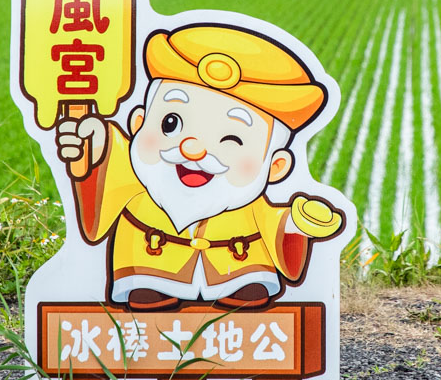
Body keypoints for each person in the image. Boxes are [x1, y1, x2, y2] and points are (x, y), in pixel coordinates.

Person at [55, 24, 345, 313]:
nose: (192, 150)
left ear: (276, 167)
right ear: (138, 124)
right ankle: (150, 283)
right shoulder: (141, 179)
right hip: (146, 263)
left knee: (249, 279)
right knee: (146, 283)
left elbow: (275, 223)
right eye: (171, 124)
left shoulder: (251, 205)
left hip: (241, 269)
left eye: (232, 139)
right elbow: (109, 171)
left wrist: (297, 224)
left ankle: (241, 283)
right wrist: (94, 148)